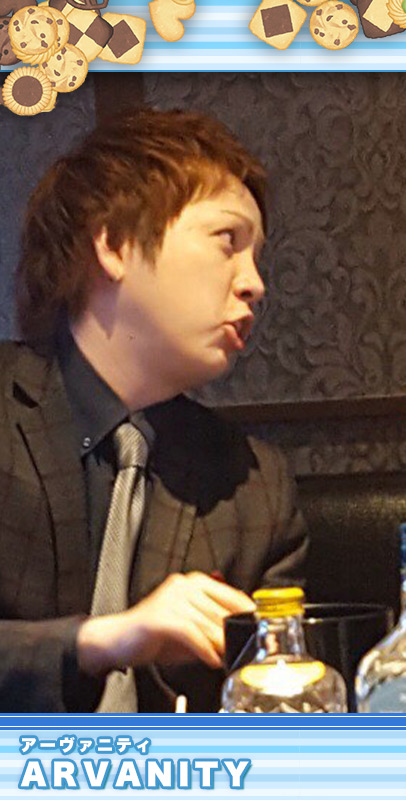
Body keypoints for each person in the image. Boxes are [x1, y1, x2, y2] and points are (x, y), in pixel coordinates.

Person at [2, 108, 307, 713]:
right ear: (114, 245)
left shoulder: (254, 486)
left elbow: (276, 705)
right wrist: (99, 642)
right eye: (227, 242)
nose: (254, 283)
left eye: (256, 257)